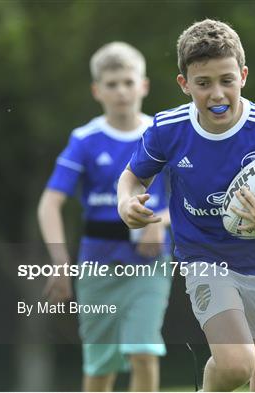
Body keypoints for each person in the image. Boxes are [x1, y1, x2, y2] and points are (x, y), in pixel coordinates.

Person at [116, 19, 255, 392]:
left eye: (226, 80)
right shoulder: (168, 129)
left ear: (243, 76)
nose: (217, 93)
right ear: (185, 84)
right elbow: (133, 176)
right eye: (203, 84)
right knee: (235, 365)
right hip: (205, 257)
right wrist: (125, 202)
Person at [37, 42, 172, 392]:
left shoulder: (163, 135)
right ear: (98, 91)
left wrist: (162, 222)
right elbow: (50, 203)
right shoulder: (84, 140)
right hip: (97, 265)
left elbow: (192, 196)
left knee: (144, 350)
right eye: (112, 84)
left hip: (148, 264)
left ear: (143, 85)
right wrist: (59, 260)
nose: (122, 91)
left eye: (128, 82)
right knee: (101, 365)